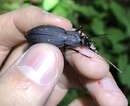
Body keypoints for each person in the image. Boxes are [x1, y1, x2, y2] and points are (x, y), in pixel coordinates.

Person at [0, 6, 128, 106]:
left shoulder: (64, 35)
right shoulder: (64, 42)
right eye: (81, 41)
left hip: (39, 34)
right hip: (36, 35)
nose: (82, 40)